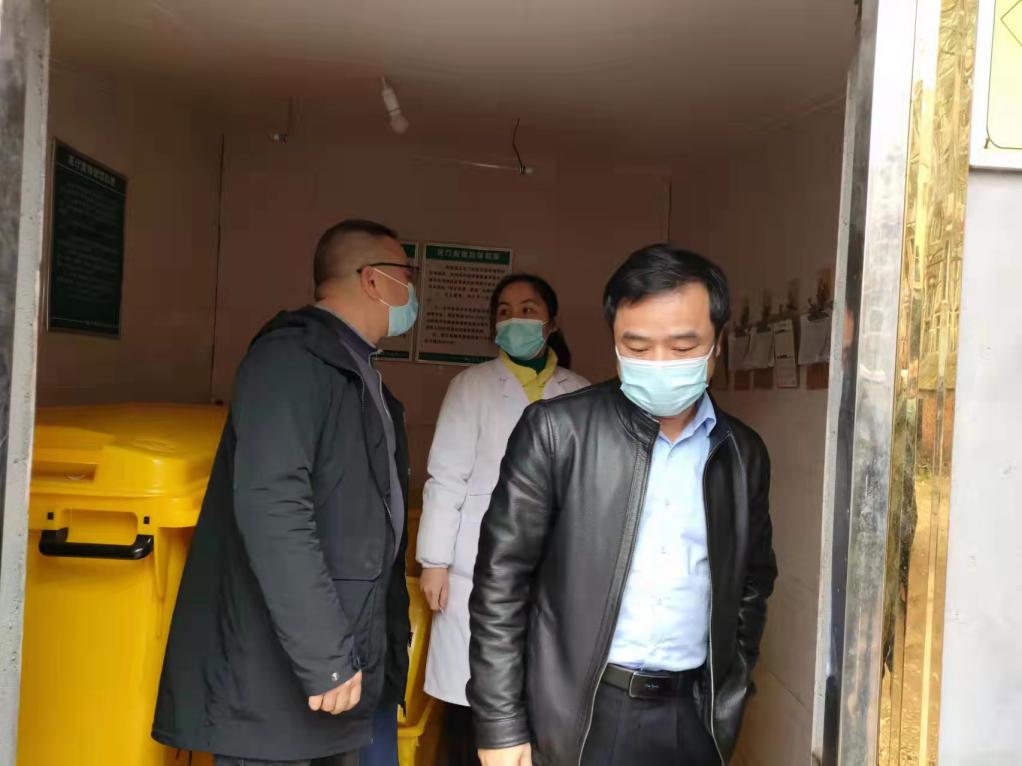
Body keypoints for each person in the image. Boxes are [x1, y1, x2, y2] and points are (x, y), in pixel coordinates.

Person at [468, 245, 778, 766]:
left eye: (682, 347)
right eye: (637, 346)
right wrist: (500, 725)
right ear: (614, 344)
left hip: (692, 716)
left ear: (717, 345)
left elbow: (753, 582)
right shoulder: (557, 433)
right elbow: (501, 583)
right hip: (581, 716)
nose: (658, 364)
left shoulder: (741, 453)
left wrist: (731, 692)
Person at [153, 219, 416, 766]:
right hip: (285, 679)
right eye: (406, 277)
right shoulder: (289, 360)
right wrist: (325, 655)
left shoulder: (353, 368)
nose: (412, 292)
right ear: (374, 280)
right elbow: (273, 507)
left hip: (337, 669)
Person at [416, 274, 589, 765]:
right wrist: (434, 562)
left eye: (528, 309)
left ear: (552, 322)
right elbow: (445, 477)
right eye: (505, 311)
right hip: (475, 561)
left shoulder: (579, 391)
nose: (516, 319)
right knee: (472, 695)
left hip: (557, 560)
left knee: (543, 694)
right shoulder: (470, 386)